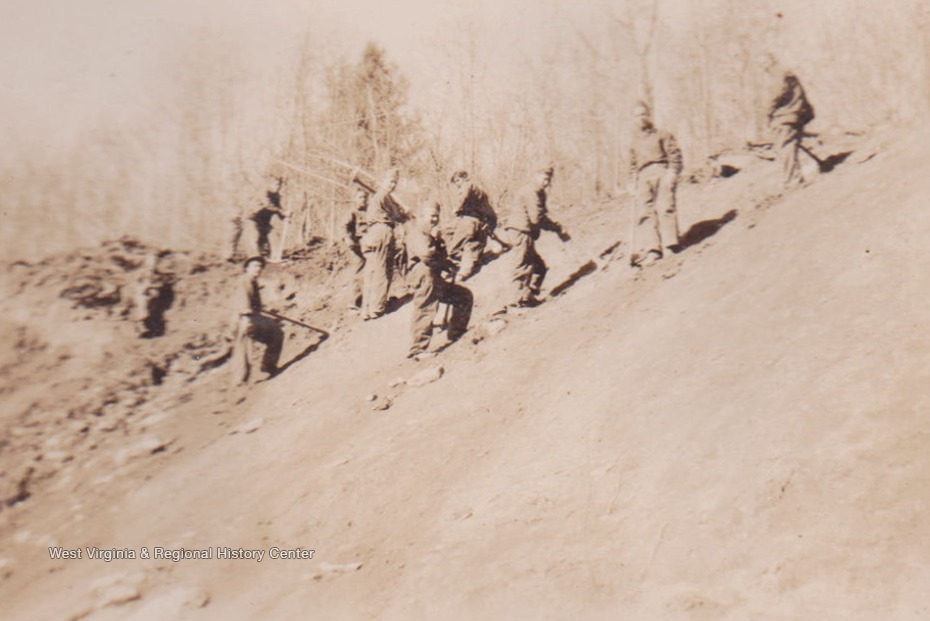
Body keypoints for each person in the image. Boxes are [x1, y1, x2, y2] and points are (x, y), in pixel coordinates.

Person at [406, 201, 473, 360]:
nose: (434, 219)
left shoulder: (433, 234)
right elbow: (427, 255)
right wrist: (435, 243)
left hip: (435, 276)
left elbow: (440, 256)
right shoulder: (417, 233)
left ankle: (456, 332)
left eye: (437, 216)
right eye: (431, 216)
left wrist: (449, 266)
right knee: (426, 308)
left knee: (463, 296)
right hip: (423, 275)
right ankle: (418, 349)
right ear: (422, 217)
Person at [501, 166, 570, 308]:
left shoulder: (538, 192)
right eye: (544, 178)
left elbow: (542, 213)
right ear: (536, 175)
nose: (546, 182)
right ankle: (515, 303)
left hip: (525, 233)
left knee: (539, 268)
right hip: (520, 232)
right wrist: (557, 228)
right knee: (521, 267)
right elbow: (536, 218)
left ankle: (528, 296)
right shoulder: (531, 191)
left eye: (549, 179)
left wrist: (557, 228)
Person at [628, 101, 683, 268]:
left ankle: (670, 245)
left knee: (666, 206)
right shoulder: (634, 141)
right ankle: (654, 250)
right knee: (645, 212)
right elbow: (632, 164)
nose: (641, 118)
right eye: (637, 115)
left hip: (661, 170)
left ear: (649, 115)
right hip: (642, 177)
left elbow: (674, 154)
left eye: (643, 114)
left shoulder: (662, 134)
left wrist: (672, 172)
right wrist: (631, 182)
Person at [361, 168, 409, 320]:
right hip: (382, 232)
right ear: (383, 181)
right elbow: (398, 216)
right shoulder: (384, 195)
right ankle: (377, 308)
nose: (393, 185)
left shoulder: (379, 196)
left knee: (372, 271)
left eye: (395, 182)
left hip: (371, 235)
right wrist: (406, 212)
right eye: (390, 181)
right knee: (383, 270)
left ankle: (366, 309)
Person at [230, 256, 284, 385]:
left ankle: (266, 366)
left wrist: (267, 314)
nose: (258, 269)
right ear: (247, 268)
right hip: (245, 319)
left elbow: (255, 307)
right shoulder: (244, 281)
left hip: (251, 317)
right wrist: (254, 315)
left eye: (260, 266)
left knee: (276, 334)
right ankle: (241, 381)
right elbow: (245, 307)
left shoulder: (253, 282)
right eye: (255, 266)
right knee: (244, 348)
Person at [766, 59, 815, 189]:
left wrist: (767, 111)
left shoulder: (778, 74)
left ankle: (793, 181)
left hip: (783, 117)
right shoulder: (791, 77)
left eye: (762, 64)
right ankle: (798, 177)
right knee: (792, 146)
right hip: (795, 115)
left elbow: (776, 94)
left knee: (785, 148)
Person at [448, 170, 498, 280]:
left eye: (458, 180)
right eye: (455, 182)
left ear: (465, 178)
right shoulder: (480, 193)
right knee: (473, 249)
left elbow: (463, 196)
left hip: (468, 222)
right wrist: (490, 226)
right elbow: (490, 212)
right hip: (479, 224)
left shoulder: (467, 185)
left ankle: (462, 272)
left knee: (453, 250)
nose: (457, 184)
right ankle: (464, 270)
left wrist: (456, 208)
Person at [342, 186, 370, 311]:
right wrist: (348, 239)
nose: (363, 200)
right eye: (360, 197)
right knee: (357, 273)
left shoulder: (370, 211)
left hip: (369, 244)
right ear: (355, 199)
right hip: (356, 246)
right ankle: (353, 302)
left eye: (365, 197)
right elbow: (343, 227)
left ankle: (368, 300)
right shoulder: (352, 212)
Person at [250, 177, 288, 258]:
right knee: (254, 239)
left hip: (264, 221)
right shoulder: (263, 192)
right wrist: (282, 212)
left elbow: (278, 208)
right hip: (252, 219)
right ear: (269, 184)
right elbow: (268, 205)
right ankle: (254, 260)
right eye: (276, 184)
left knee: (273, 236)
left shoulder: (276, 196)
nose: (278, 187)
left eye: (279, 185)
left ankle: (275, 257)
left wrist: (284, 216)